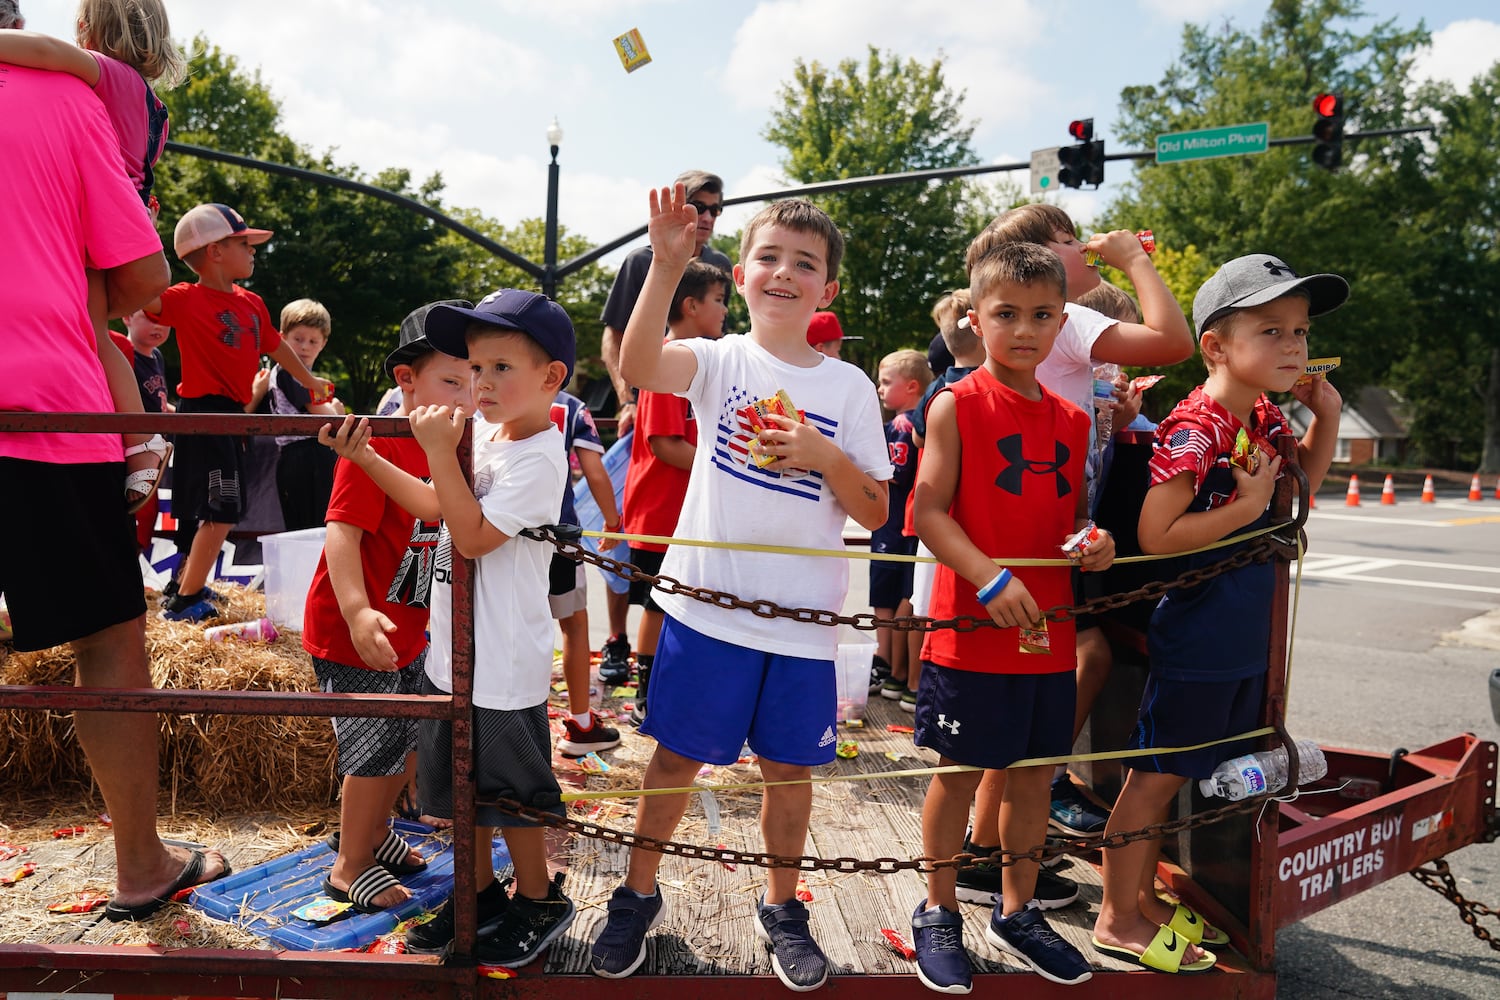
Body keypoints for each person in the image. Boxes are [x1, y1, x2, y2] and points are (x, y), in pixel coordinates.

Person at [589, 186, 891, 992]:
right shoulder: (719, 360)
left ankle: (782, 907)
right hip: (706, 613)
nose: (784, 273)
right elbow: (638, 366)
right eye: (769, 257)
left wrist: (824, 456)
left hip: (802, 626)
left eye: (805, 263)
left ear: (828, 288)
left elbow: (876, 508)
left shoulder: (850, 388)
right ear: (743, 272)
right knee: (673, 761)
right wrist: (665, 267)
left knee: (789, 775)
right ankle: (636, 894)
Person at [0, 44, 229, 922]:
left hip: (44, 404)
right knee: (106, 641)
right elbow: (142, 277)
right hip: (40, 407)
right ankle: (141, 864)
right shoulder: (65, 96)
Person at [1091, 254, 1346, 975]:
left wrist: (1325, 419)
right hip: (1200, 632)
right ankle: (1117, 915)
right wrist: (1246, 506)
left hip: (1243, 631)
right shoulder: (1195, 426)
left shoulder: (1261, 415)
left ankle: (1141, 898)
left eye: (1300, 331)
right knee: (1155, 778)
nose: (1294, 346)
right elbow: (1156, 535)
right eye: (1272, 330)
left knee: (1180, 774)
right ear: (1216, 346)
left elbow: (1293, 498)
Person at [320, 289, 578, 968]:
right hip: (453, 657)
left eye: (500, 368)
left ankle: (538, 898)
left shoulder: (540, 456)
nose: (481, 383)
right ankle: (479, 895)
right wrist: (368, 457)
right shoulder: (488, 436)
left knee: (512, 797)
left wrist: (437, 449)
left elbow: (471, 536)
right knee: (460, 791)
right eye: (475, 368)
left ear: (551, 377)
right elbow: (437, 506)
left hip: (504, 663)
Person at [908, 242, 1113, 993]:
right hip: (970, 633)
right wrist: (988, 578)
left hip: (1048, 634)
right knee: (960, 774)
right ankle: (938, 909)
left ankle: (1017, 911)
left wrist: (1093, 543)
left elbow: (1071, 517)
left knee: (1032, 779)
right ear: (976, 318)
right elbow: (928, 511)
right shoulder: (955, 402)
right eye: (1006, 314)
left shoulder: (1073, 418)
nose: (1024, 329)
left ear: (1062, 321)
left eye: (1041, 315)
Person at [961, 204, 1194, 849]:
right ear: (1040, 259)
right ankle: (1019, 812)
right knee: (1065, 668)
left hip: (1050, 522)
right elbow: (1174, 341)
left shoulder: (1051, 321)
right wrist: (1134, 259)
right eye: (1070, 240)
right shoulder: (1062, 312)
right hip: (1045, 531)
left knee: (1032, 681)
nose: (1087, 247)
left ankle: (994, 838)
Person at [302, 301, 473, 915]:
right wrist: (355, 611)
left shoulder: (451, 446)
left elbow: (440, 515)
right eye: (452, 381)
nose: (466, 397)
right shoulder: (375, 445)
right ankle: (349, 864)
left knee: (404, 737)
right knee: (373, 746)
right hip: (358, 628)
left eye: (476, 382)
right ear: (407, 380)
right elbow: (341, 533)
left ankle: (375, 834)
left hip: (409, 623)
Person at [0, 0, 186, 519]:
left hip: (100, 221)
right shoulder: (149, 102)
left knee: (94, 336)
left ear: (86, 30)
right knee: (95, 334)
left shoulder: (108, 76)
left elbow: (42, 50)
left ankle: (142, 438)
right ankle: (140, 439)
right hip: (117, 215)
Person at [145, 203, 327, 623]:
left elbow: (277, 347)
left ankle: (188, 585)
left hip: (233, 415)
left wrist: (311, 381)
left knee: (218, 507)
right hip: (203, 412)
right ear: (215, 251)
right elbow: (140, 293)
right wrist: (145, 230)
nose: (253, 251)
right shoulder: (184, 298)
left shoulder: (253, 303)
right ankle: (185, 599)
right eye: (244, 244)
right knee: (220, 508)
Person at [597, 170, 732, 679]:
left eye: (717, 208)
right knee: (627, 554)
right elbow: (617, 338)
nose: (709, 216)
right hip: (650, 420)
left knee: (679, 588)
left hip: (693, 459)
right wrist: (628, 397)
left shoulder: (719, 265)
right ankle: (621, 647)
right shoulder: (642, 260)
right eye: (701, 205)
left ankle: (670, 671)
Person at [614, 259, 731, 724]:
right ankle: (647, 692)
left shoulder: (702, 361)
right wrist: (722, 467)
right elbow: (665, 444)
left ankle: (673, 686)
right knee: (658, 603)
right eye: (718, 300)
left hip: (686, 510)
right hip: (661, 512)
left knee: (685, 600)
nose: (725, 309)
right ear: (690, 305)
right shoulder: (669, 361)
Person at [888, 290, 984, 713]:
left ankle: (912, 682)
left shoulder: (936, 388)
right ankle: (918, 684)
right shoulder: (967, 387)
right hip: (948, 512)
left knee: (922, 601)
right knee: (928, 604)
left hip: (932, 509)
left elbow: (918, 436)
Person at [549, 388, 623, 758]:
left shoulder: (481, 393)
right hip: (558, 531)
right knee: (574, 623)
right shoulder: (571, 406)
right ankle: (580, 722)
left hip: (499, 532)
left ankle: (504, 718)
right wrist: (612, 520)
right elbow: (593, 471)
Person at [869, 348, 930, 691]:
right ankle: (895, 668)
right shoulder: (915, 423)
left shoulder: (901, 426)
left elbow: (894, 472)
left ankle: (887, 664)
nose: (880, 388)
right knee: (901, 597)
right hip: (902, 524)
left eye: (886, 382)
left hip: (893, 524)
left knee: (887, 599)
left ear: (911, 386)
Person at [259, 298, 342, 531]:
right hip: (306, 455)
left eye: (313, 341)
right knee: (314, 526)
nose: (305, 347)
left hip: (299, 457)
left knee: (308, 525)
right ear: (283, 338)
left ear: (323, 343)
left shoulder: (294, 374)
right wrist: (336, 408)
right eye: (298, 339)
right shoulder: (291, 372)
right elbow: (322, 414)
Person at [109, 310, 175, 551]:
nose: (158, 325)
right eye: (148, 317)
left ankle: (135, 563)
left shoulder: (156, 356)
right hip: (135, 447)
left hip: (156, 448)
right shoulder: (122, 353)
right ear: (126, 317)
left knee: (149, 517)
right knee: (136, 514)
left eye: (164, 318)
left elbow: (157, 398)